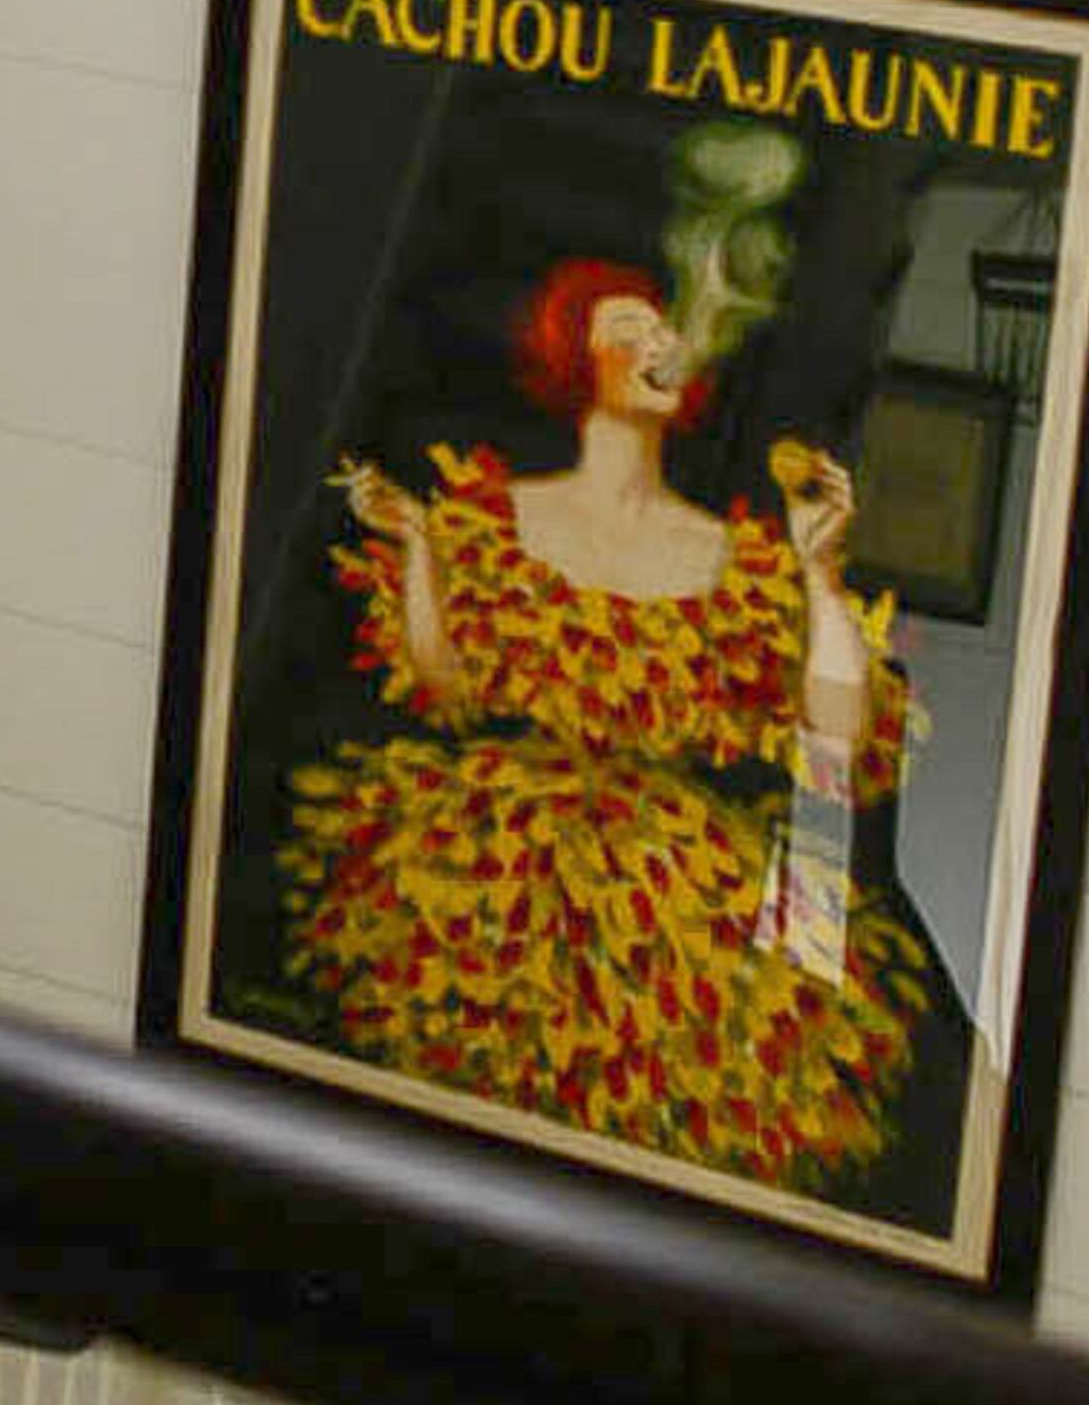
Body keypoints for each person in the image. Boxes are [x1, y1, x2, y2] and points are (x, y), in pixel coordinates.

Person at [278, 253, 929, 1196]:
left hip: (675, 906)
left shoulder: (738, 554)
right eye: (627, 332)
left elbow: (836, 736)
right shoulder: (493, 518)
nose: (660, 343)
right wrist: (419, 545)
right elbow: (445, 686)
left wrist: (820, 573)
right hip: (497, 874)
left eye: (665, 330)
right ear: (574, 361)